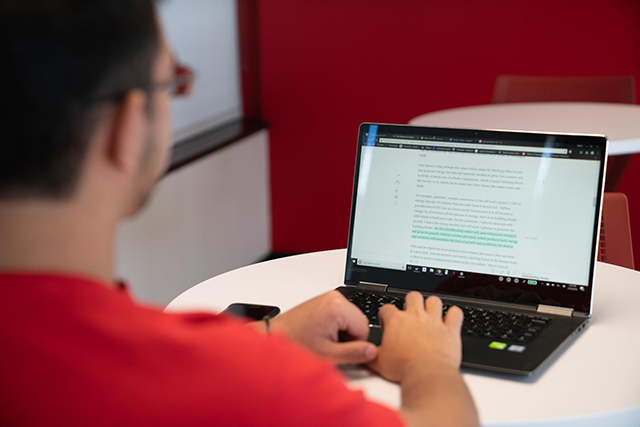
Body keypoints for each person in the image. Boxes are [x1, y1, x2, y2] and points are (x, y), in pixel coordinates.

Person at [0, 1, 479, 426]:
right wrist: (428, 361)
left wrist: (271, 333)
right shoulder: (256, 389)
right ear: (126, 127)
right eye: (173, 82)